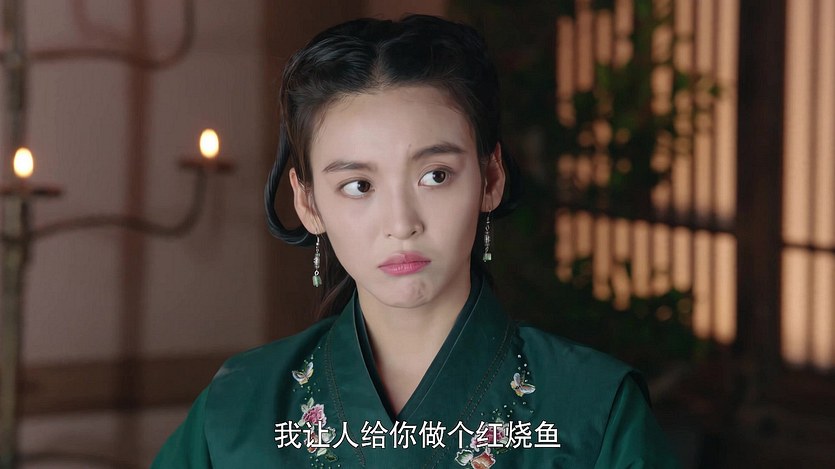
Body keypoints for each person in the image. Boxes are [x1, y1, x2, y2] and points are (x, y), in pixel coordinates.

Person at [152, 14, 680, 468]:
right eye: (358, 185)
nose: (401, 223)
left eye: (435, 176)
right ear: (308, 203)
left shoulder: (593, 408)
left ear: (490, 178)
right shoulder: (239, 406)